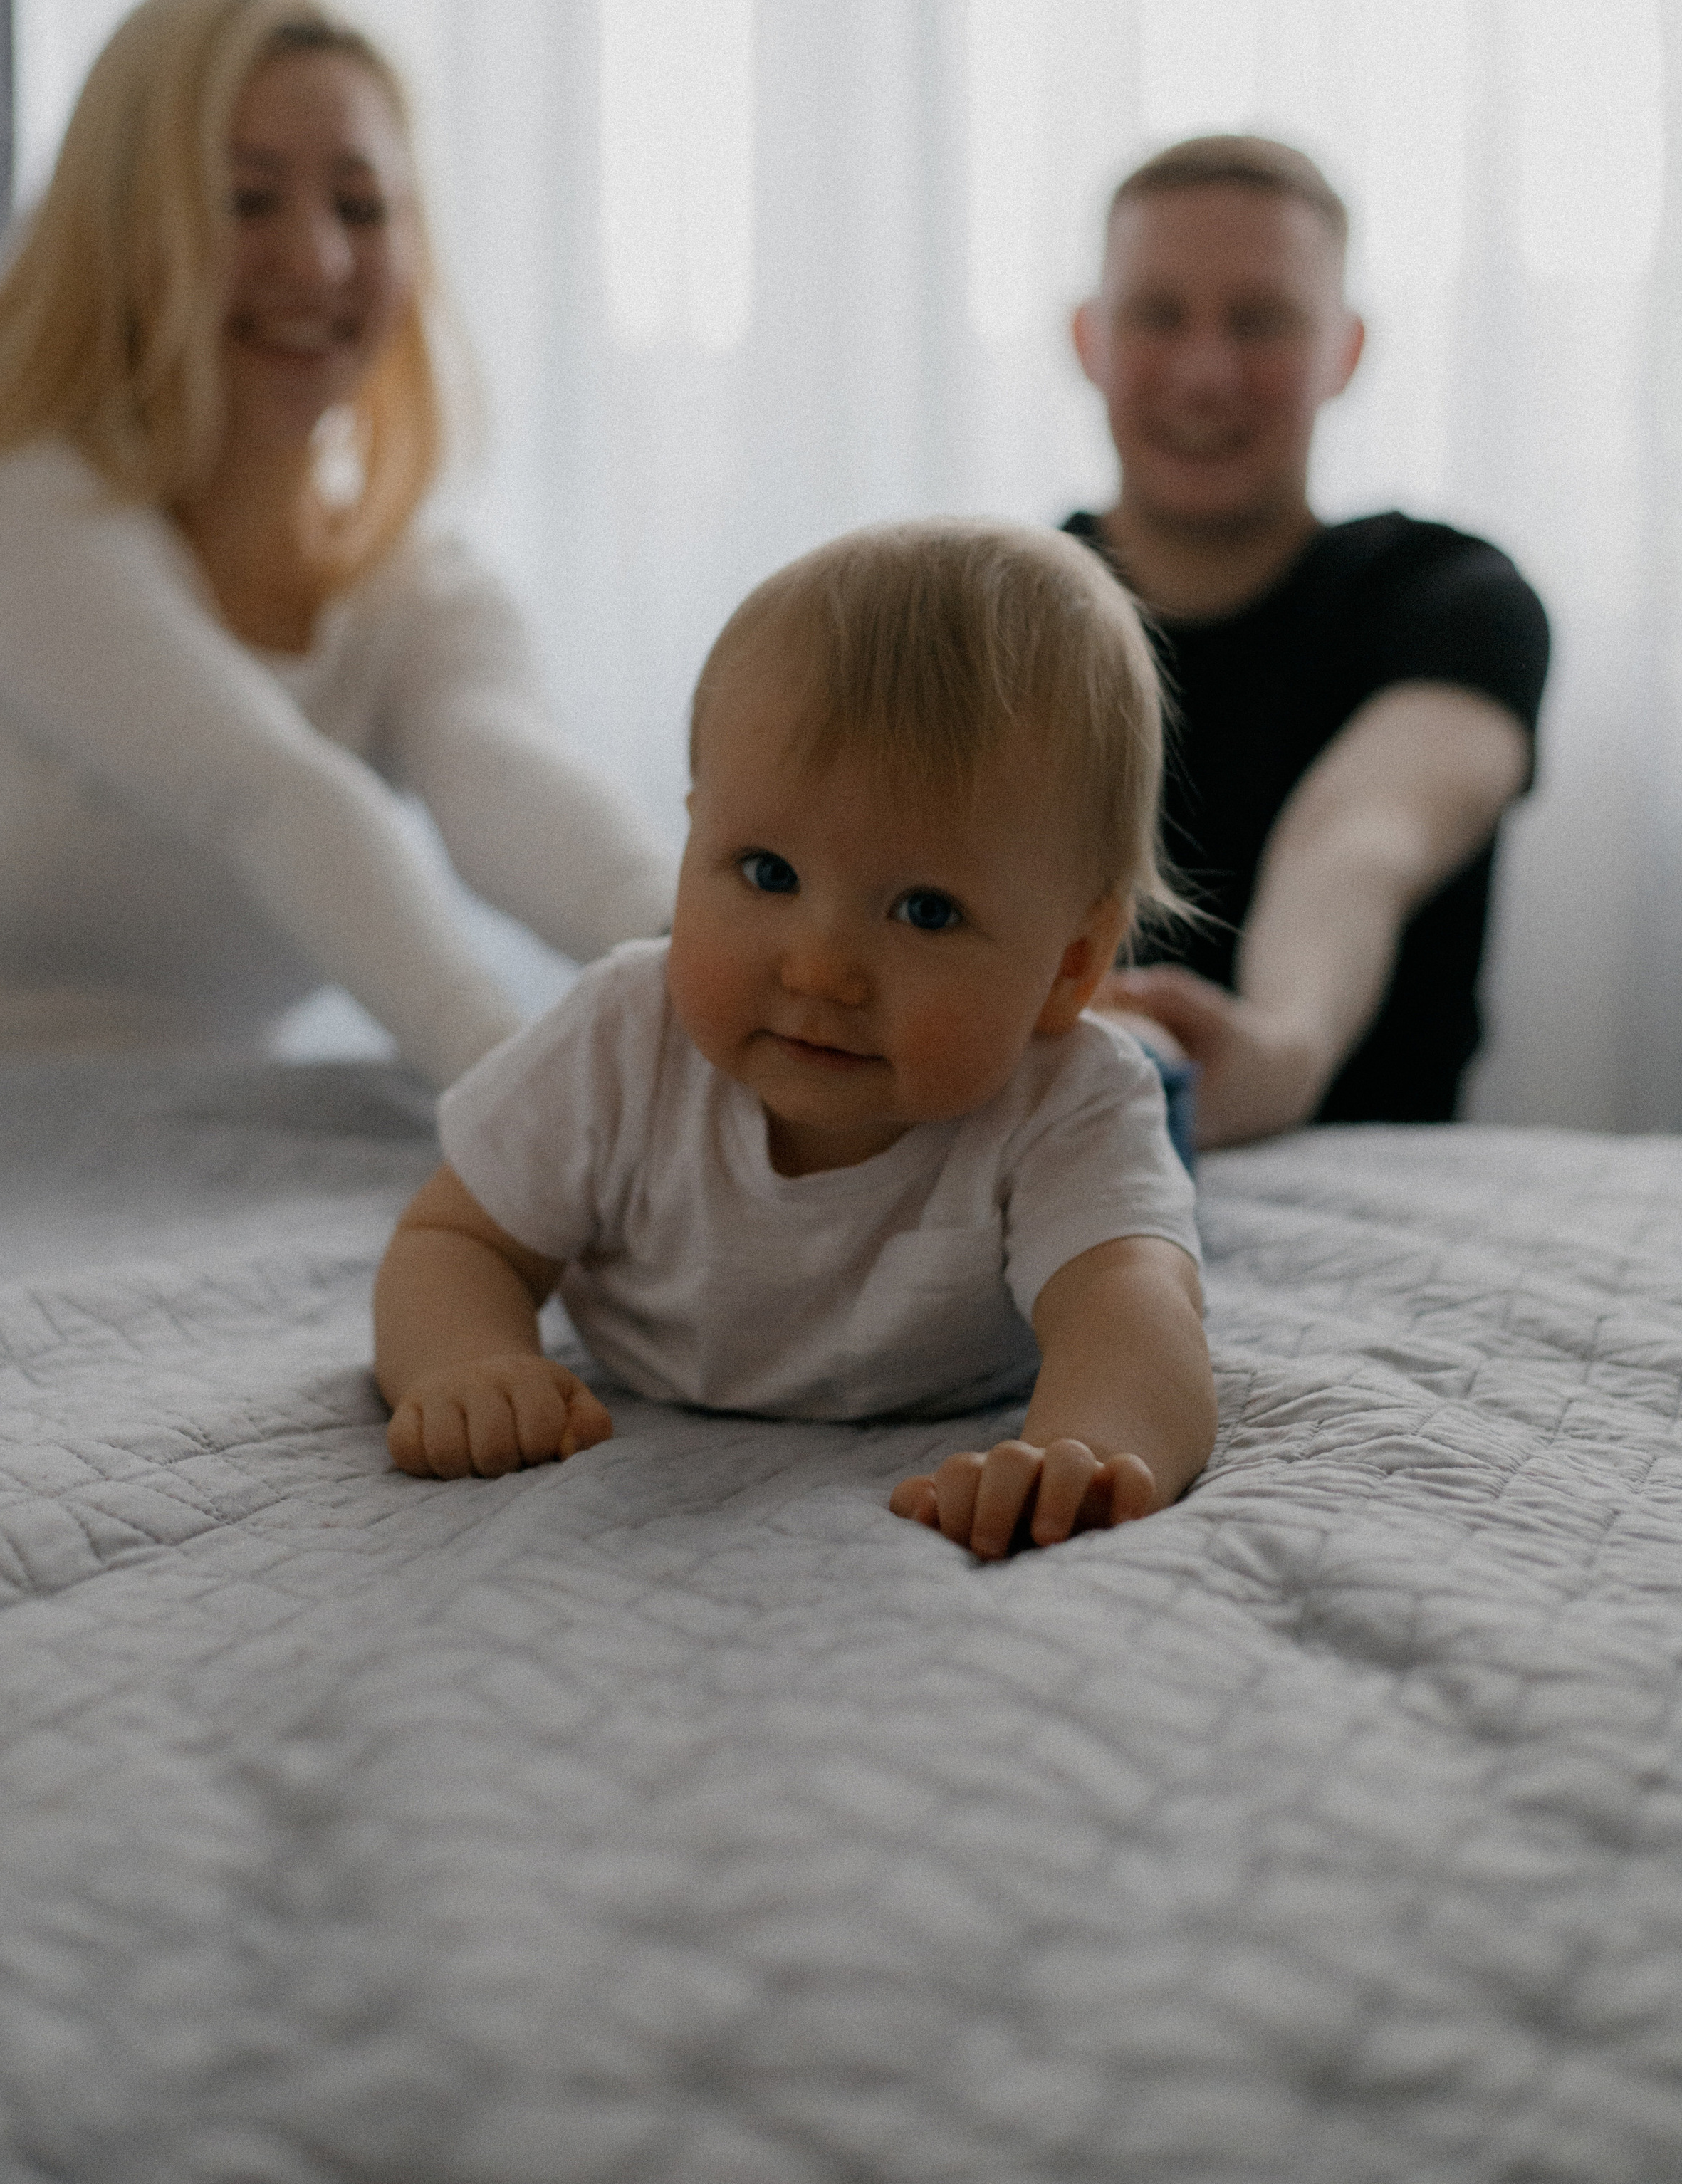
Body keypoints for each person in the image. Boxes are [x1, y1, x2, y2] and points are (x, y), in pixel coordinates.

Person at [0, 0, 675, 1084]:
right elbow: (260, 785)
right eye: (246, 201)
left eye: (361, 205)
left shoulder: (415, 591)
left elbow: (507, 779)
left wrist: (719, 971)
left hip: (188, 1143)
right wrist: (502, 1073)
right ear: (122, 231)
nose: (319, 261)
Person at [374, 520, 1213, 1562]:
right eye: (768, 873)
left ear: (1071, 965)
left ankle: (1181, 1055)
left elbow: (1134, 1313)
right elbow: (454, 1242)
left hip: (1090, 1086)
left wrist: (1083, 1448)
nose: (820, 970)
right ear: (691, 838)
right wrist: (465, 1363)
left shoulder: (1067, 1100)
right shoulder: (622, 1036)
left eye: (925, 911)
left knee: (1155, 1108)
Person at [1066, 133, 1551, 1145]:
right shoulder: (991, 615)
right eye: (1160, 315)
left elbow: (1363, 837)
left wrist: (1278, 1050)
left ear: (1347, 351)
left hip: (1364, 1166)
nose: (1207, 374)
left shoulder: (1455, 596)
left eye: (1262, 321)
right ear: (1088, 341)